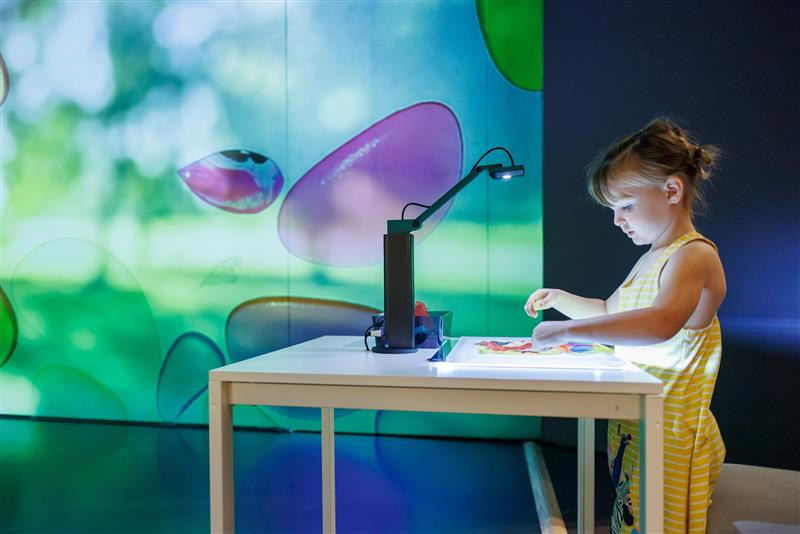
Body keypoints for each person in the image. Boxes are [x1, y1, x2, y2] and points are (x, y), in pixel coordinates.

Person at [525, 117, 726, 534]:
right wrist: (559, 300)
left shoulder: (694, 255)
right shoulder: (651, 258)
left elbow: (660, 323)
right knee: (631, 519)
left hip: (672, 433)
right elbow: (608, 312)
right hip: (638, 425)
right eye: (613, 210)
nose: (618, 220)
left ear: (671, 191)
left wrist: (565, 332)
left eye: (626, 206)